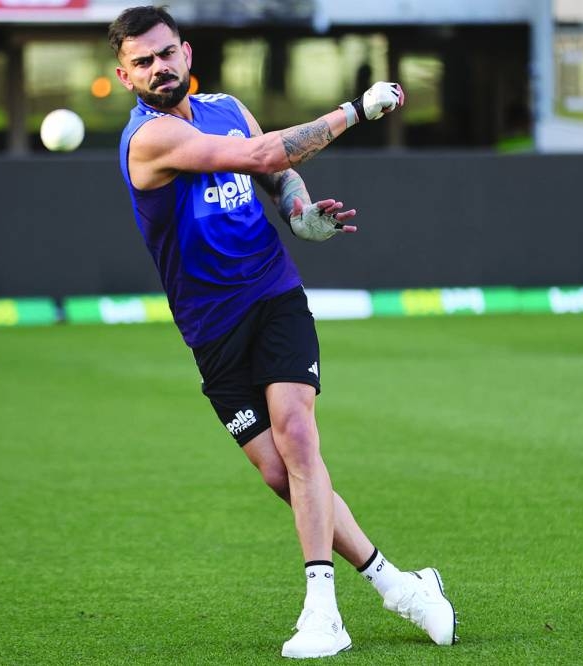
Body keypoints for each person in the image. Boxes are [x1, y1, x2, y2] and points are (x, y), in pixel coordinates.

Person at [108, 6, 456, 659]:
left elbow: (275, 172)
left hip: (272, 294)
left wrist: (299, 214)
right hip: (212, 330)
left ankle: (323, 613)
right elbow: (263, 151)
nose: (159, 68)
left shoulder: (228, 106)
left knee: (299, 436)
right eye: (143, 62)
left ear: (185, 53)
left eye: (165, 53)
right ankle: (402, 587)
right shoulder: (148, 140)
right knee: (281, 473)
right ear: (125, 76)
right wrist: (356, 110)